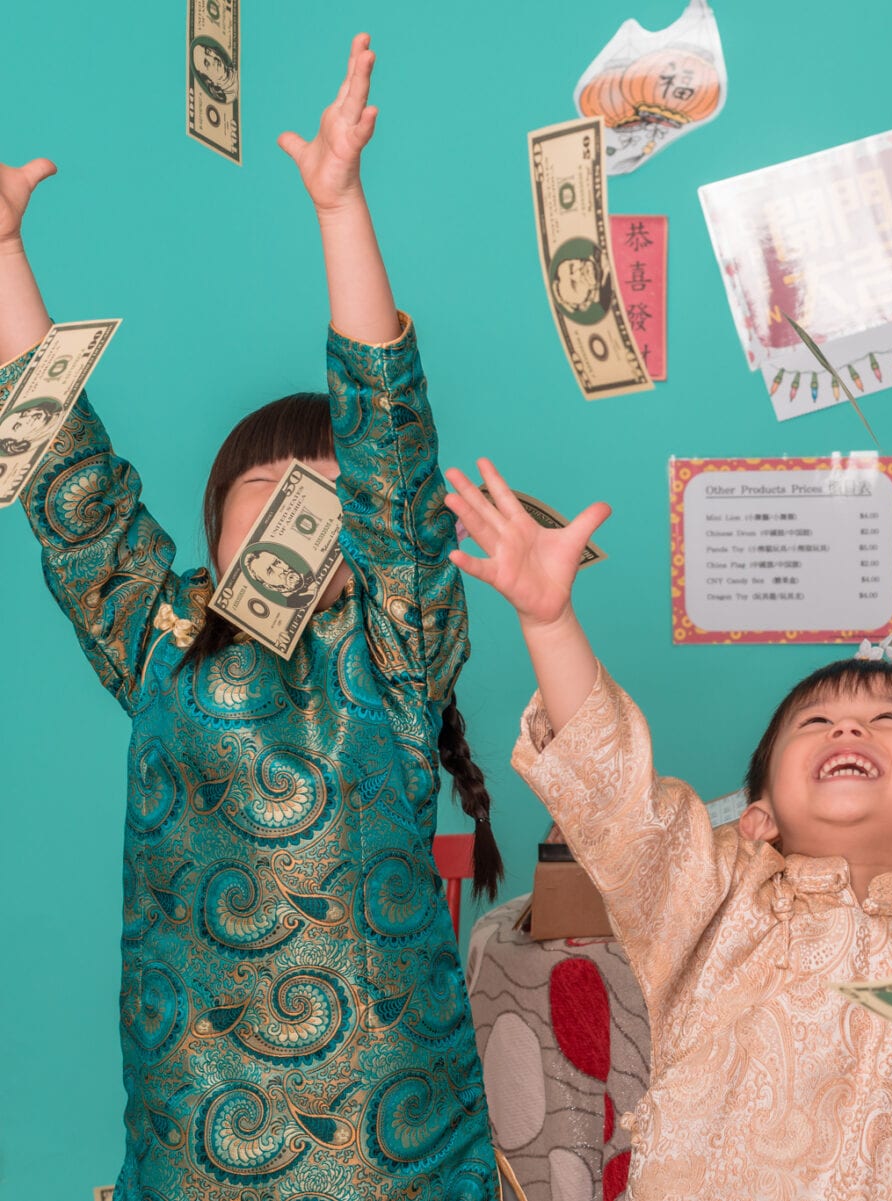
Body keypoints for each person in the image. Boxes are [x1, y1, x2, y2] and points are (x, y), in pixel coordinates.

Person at [0, 35, 498, 1197]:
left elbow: (392, 448)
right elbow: (66, 482)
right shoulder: (160, 640)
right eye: (262, 488)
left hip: (399, 1159)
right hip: (190, 1150)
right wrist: (6, 251)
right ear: (214, 527)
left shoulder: (396, 656)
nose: (296, 507)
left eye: (324, 492)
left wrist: (339, 206)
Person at [444, 459, 892, 1200]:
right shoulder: (713, 904)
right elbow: (612, 794)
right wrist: (549, 620)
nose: (847, 724)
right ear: (757, 817)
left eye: (889, 720)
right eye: (815, 723)